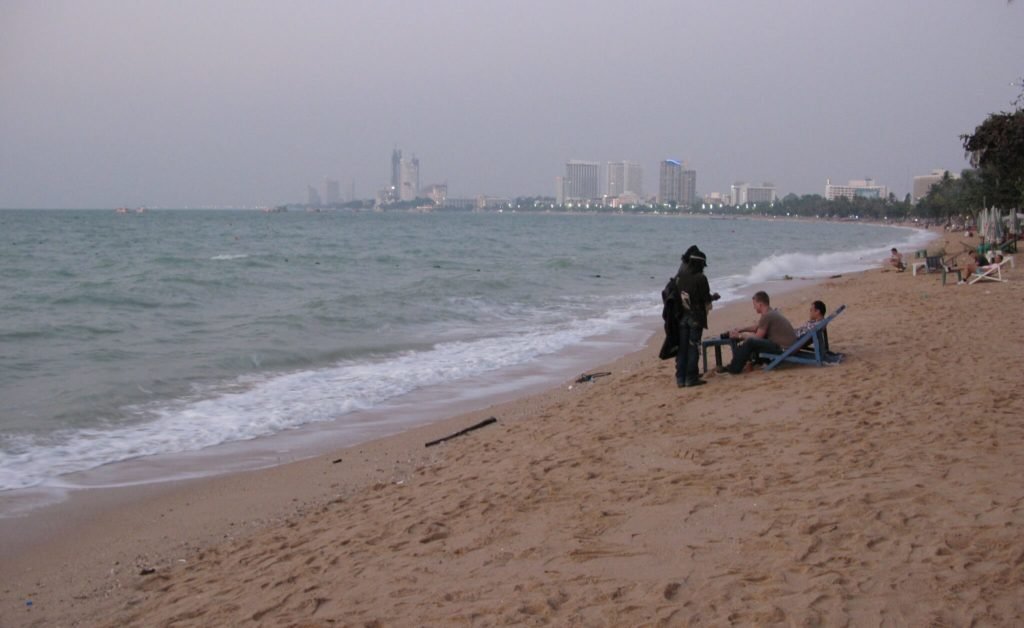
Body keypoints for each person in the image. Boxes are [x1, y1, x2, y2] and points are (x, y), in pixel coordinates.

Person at [722, 291, 798, 374]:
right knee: (753, 339)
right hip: (790, 346)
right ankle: (756, 361)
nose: (754, 307)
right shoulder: (770, 312)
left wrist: (740, 336)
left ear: (760, 304)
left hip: (784, 349)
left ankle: (733, 369)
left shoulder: (767, 316)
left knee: (750, 342)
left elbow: (758, 337)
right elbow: (757, 327)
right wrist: (741, 330)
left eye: (754, 304)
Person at [673, 245, 715, 388]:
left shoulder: (680, 276)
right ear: (700, 264)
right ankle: (691, 378)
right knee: (693, 347)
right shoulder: (701, 278)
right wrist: (714, 297)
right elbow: (705, 299)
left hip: (682, 317)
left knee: (682, 348)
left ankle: (680, 378)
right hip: (696, 318)